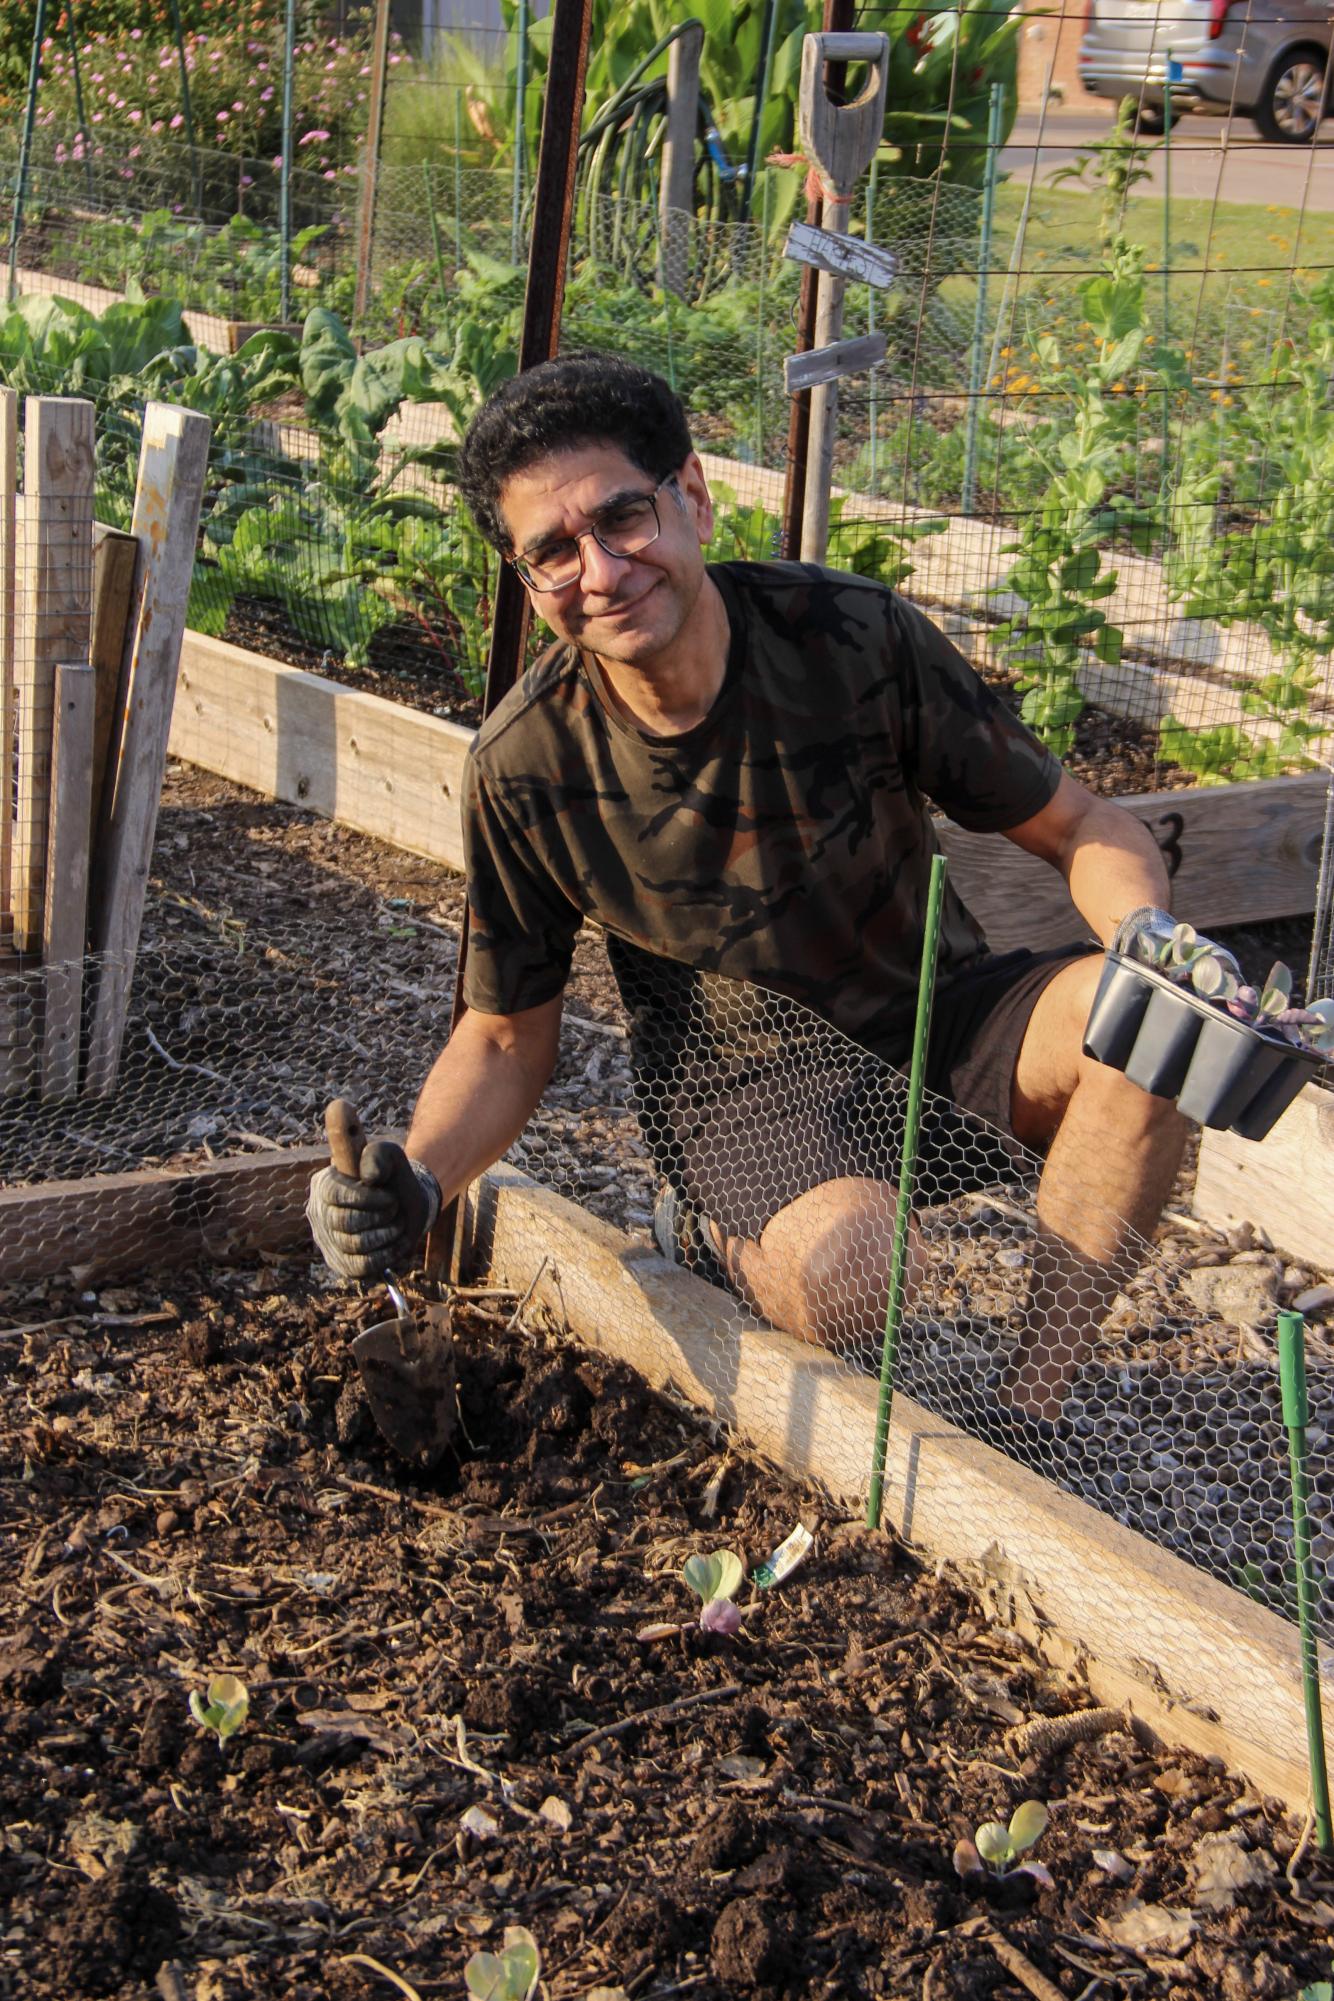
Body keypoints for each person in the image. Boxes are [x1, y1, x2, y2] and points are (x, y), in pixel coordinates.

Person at [307, 352, 1193, 1438]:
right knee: (859, 1277)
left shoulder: (850, 637)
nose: (600, 569)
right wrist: (417, 1180)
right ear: (525, 582)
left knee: (1147, 1027)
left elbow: (1084, 828)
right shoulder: (527, 763)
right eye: (552, 552)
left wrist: (1147, 942)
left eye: (621, 518)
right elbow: (501, 1036)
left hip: (940, 1018)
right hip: (746, 1095)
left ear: (689, 494)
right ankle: (714, 1237)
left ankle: (1029, 1413)